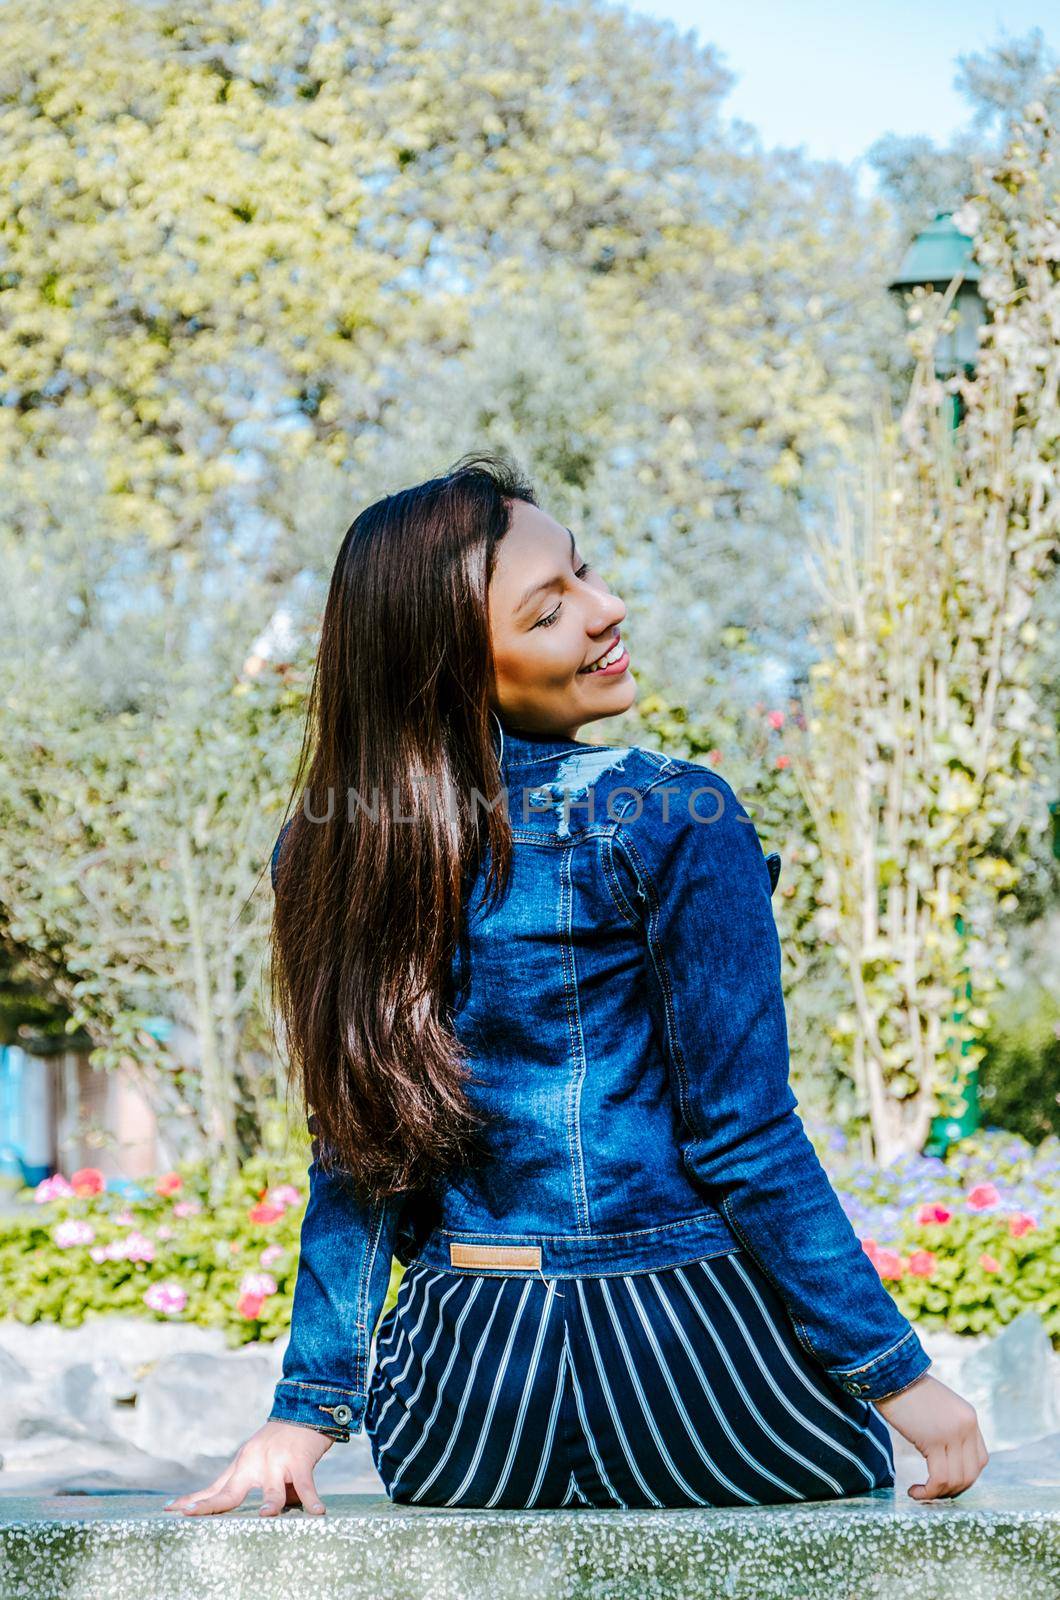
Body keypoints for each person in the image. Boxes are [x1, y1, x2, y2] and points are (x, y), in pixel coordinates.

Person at [165, 452, 987, 1518]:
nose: (609, 609)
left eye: (585, 573)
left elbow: (361, 1154)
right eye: (552, 609)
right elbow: (744, 1135)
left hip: (464, 1419)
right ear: (456, 668)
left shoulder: (328, 852)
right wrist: (896, 1375)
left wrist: (307, 1411)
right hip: (692, 1375)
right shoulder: (671, 812)